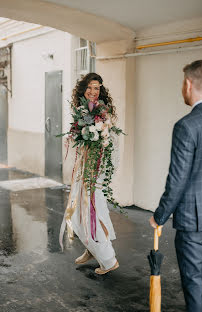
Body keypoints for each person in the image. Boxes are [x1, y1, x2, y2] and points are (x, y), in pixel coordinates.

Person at [150, 60, 202, 311]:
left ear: (188, 84)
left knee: (196, 283)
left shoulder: (187, 125)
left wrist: (160, 216)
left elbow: (178, 180)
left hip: (195, 221)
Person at [60, 73, 119, 275]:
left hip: (96, 167)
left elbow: (108, 140)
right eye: (90, 88)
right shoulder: (83, 110)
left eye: (97, 88)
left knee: (93, 209)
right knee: (80, 210)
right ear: (83, 89)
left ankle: (109, 260)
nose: (93, 92)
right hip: (85, 164)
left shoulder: (102, 112)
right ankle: (91, 249)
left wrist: (96, 170)